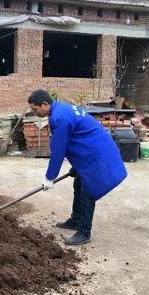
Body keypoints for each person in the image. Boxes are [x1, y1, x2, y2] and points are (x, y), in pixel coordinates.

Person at [28, 89, 127, 246]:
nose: (34, 112)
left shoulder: (60, 118)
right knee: (78, 183)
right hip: (92, 149)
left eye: (35, 109)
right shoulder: (60, 109)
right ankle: (76, 220)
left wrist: (49, 177)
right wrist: (76, 167)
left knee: (88, 191)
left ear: (45, 104)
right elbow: (75, 138)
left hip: (97, 154)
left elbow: (59, 151)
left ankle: (84, 232)